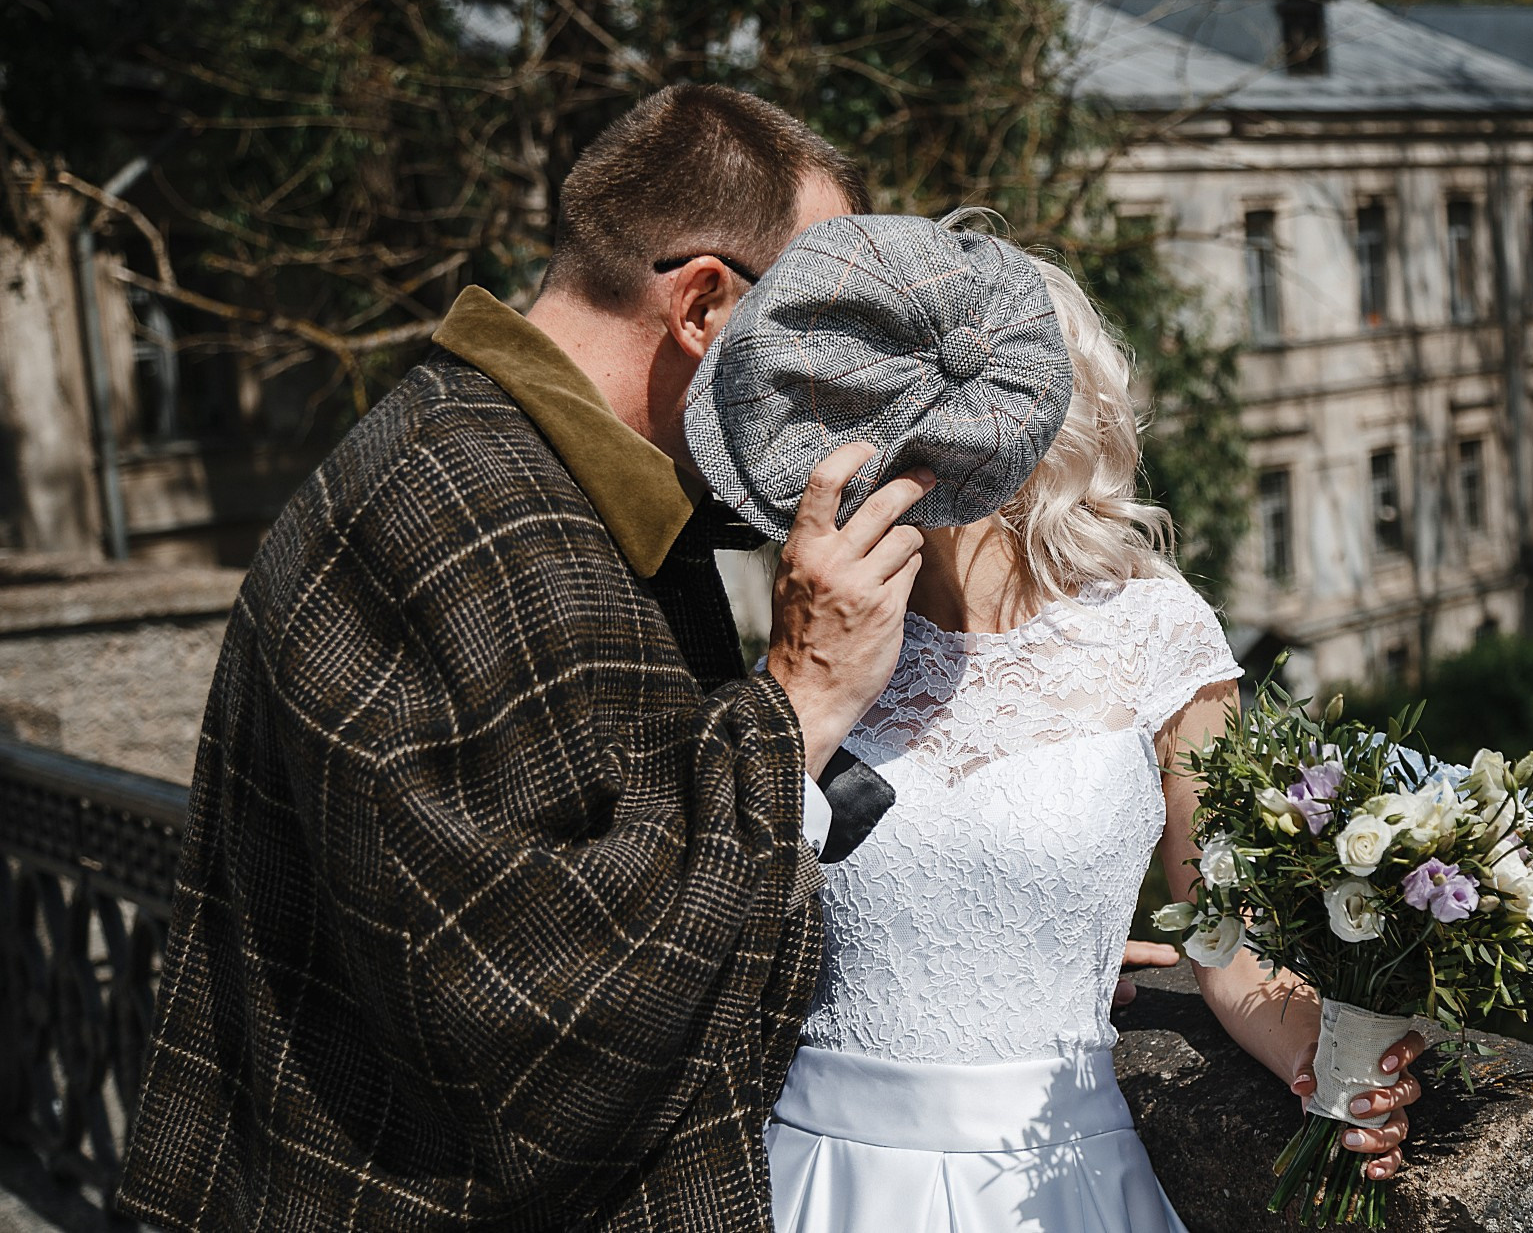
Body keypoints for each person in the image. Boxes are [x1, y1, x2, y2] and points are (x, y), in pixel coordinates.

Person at [116, 84, 927, 1233]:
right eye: (827, 333)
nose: (837, 397)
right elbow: (546, 1040)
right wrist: (794, 699)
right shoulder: (458, 507)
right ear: (703, 302)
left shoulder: (586, 489)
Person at [680, 213, 1425, 1232]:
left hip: (1056, 1180)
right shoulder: (809, 632)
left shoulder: (1156, 632)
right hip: (813, 1173)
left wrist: (1324, 1057)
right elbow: (721, 911)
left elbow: (1227, 946)